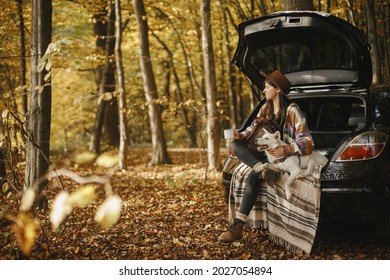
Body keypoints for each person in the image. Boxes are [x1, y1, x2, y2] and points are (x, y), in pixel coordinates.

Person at [218, 70, 314, 243]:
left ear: (277, 89)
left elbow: (308, 142)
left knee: (253, 178)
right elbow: (253, 130)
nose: (264, 91)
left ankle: (237, 227)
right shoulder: (265, 108)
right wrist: (240, 135)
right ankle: (260, 167)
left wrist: (286, 150)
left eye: (267, 87)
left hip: (280, 159)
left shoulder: (292, 111)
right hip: (261, 157)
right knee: (234, 144)